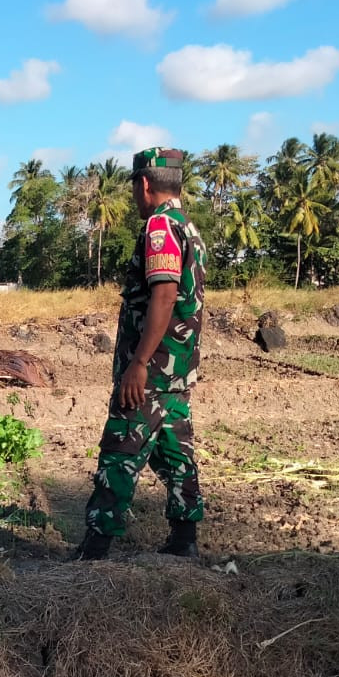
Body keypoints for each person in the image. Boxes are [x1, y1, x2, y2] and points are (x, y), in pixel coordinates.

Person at [73, 147, 208, 561]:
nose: (134, 195)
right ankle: (183, 539)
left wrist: (138, 364)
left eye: (134, 187)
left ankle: (95, 548)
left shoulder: (160, 228)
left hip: (152, 370)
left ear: (144, 184)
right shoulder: (189, 228)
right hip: (177, 369)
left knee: (120, 449)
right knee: (174, 451)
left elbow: (164, 295)